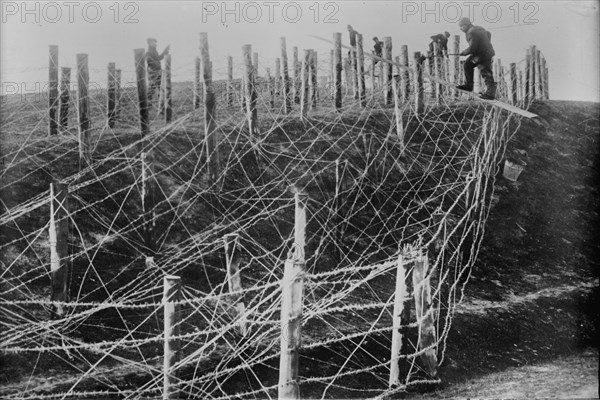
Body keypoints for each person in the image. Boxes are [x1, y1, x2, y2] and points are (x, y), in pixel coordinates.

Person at [455, 17, 496, 99]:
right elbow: (488, 34)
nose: (460, 29)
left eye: (462, 26)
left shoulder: (471, 32)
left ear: (467, 24)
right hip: (484, 53)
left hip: (482, 55)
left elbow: (472, 48)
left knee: (486, 73)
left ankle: (490, 94)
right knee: (467, 64)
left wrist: (464, 52)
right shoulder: (479, 28)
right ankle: (468, 86)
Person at [146, 38, 170, 103]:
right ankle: (148, 102)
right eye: (154, 42)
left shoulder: (154, 51)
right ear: (150, 43)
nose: (156, 44)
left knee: (160, 86)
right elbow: (149, 61)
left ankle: (161, 100)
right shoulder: (149, 52)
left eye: (155, 42)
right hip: (153, 73)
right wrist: (157, 65)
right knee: (152, 87)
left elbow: (158, 58)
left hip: (157, 71)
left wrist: (165, 50)